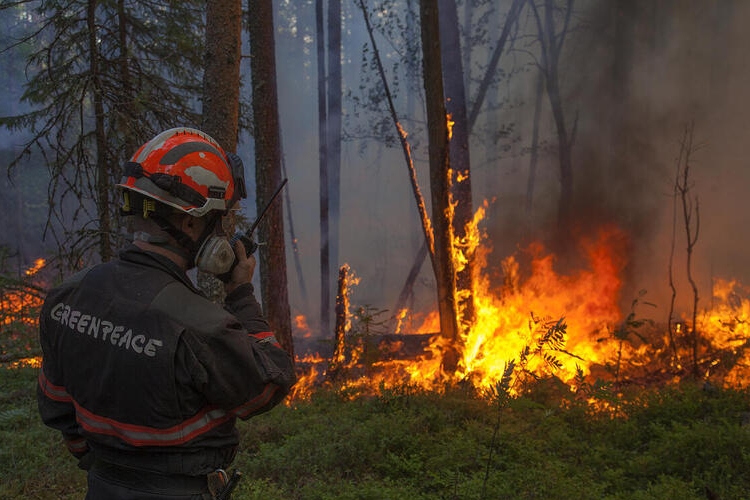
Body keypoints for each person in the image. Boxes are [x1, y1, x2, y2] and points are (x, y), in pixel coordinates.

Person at [37, 127, 297, 499]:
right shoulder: (201, 325)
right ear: (191, 222)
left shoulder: (67, 297)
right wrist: (239, 294)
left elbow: (59, 410)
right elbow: (270, 385)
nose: (222, 232)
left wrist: (110, 471)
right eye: (218, 220)